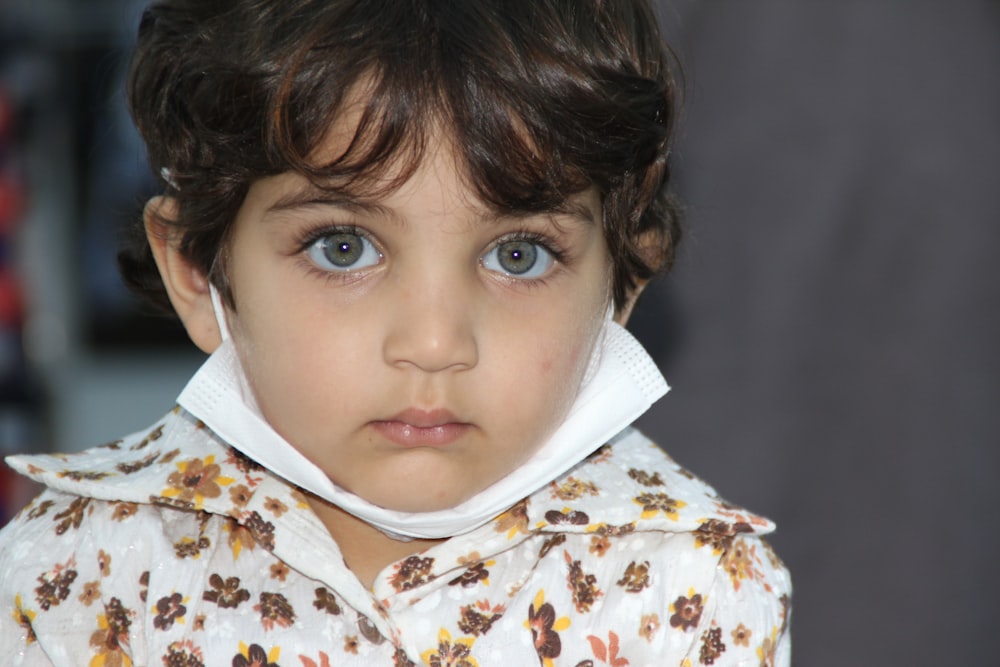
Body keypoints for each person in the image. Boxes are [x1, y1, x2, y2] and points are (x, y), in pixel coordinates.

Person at [0, 1, 790, 664]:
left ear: (621, 286)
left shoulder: (697, 588)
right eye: (343, 247)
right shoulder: (72, 571)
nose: (435, 341)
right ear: (201, 273)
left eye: (518, 255)